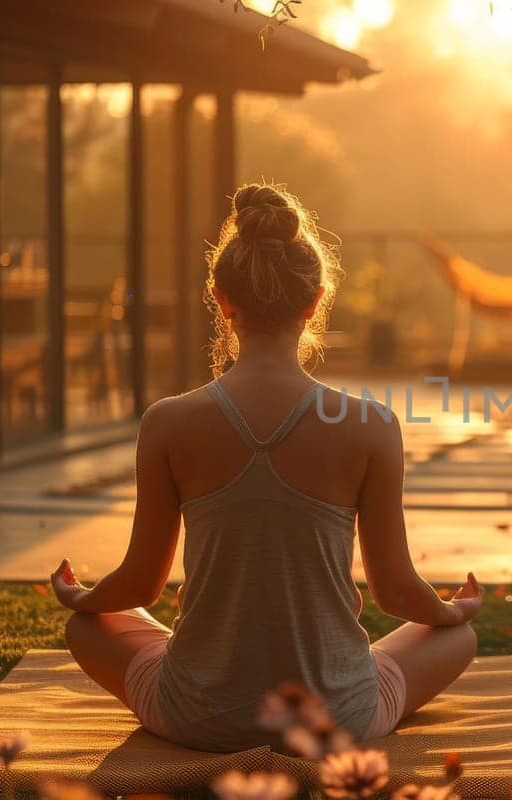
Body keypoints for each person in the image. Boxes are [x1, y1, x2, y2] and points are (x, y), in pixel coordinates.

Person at [51, 183, 482, 752]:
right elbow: (397, 593)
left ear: (222, 301)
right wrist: (452, 611)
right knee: (460, 639)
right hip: (334, 721)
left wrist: (85, 601)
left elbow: (140, 585)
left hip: (198, 715)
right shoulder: (371, 424)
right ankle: (354, 679)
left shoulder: (168, 422)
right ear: (315, 303)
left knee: (86, 629)